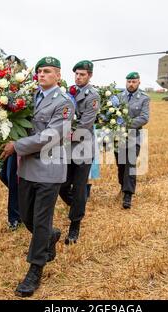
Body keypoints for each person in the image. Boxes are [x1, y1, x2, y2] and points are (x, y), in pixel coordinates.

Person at [1, 56, 75, 297]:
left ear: (58, 76)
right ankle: (51, 236)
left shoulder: (64, 102)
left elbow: (52, 135)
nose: (41, 75)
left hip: (49, 169)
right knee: (26, 216)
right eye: (39, 71)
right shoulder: (30, 97)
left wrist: (17, 146)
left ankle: (34, 271)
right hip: (27, 168)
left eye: (47, 71)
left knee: (41, 219)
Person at [59, 60, 100, 245]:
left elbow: (85, 124)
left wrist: (63, 135)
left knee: (79, 187)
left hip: (82, 147)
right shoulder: (69, 92)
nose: (78, 77)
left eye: (82, 74)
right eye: (76, 74)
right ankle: (78, 205)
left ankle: (75, 225)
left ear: (89, 76)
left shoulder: (93, 96)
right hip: (67, 148)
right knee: (61, 184)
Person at [116, 72, 150, 209]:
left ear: (139, 82)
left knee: (130, 164)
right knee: (121, 165)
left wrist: (125, 124)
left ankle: (128, 194)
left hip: (133, 135)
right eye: (129, 81)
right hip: (118, 136)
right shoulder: (118, 96)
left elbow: (144, 118)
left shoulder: (144, 98)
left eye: (134, 81)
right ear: (126, 82)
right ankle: (123, 186)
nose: (131, 84)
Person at [0, 55, 24, 231]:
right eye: (8, 65)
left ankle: (15, 217)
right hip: (3, 137)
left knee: (13, 179)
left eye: (13, 66)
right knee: (3, 176)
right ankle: (25, 201)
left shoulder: (24, 89)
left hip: (18, 138)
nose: (10, 68)